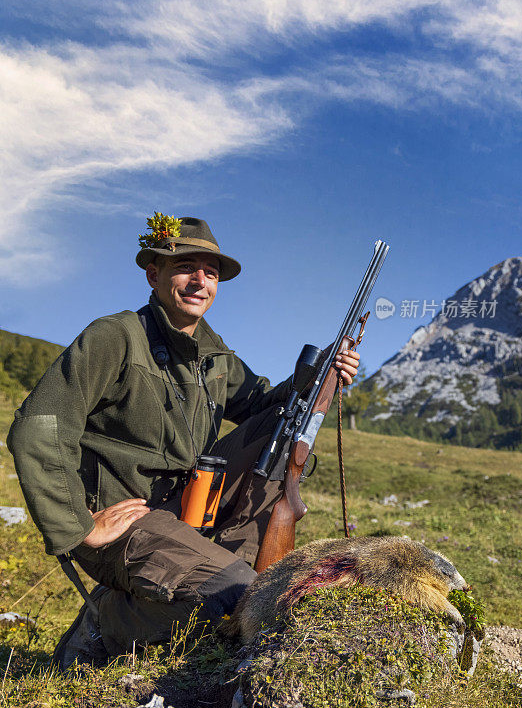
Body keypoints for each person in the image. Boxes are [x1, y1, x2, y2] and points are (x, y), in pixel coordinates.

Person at [7, 215, 360, 669]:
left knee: (280, 426)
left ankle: (217, 580)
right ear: (153, 274)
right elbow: (39, 426)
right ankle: (107, 622)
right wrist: (81, 525)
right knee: (235, 598)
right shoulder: (114, 337)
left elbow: (261, 407)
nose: (200, 281)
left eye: (210, 272)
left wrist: (321, 376)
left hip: (188, 508)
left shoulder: (214, 356)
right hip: (121, 521)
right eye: (185, 266)